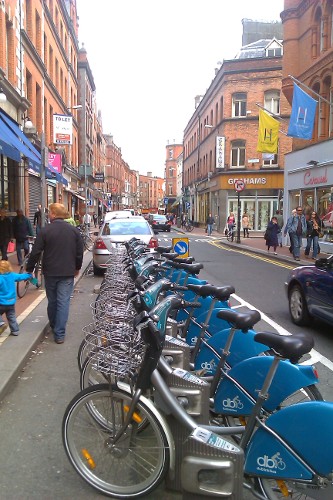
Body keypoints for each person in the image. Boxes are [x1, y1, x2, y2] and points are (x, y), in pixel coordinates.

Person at [26, 203, 84, 344]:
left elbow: (36, 252)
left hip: (50, 272)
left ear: (53, 214)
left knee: (52, 301)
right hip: (67, 271)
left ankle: (54, 325)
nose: (48, 214)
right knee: (63, 301)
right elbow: (79, 253)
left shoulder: (45, 231)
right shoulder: (74, 231)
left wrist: (30, 268)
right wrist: (77, 267)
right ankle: (60, 334)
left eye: (49, 212)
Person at [0, 260, 32, 336]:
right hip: (11, 302)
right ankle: (15, 331)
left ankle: (1, 324)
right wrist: (29, 275)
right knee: (11, 317)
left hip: (1, 302)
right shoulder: (12, 275)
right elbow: (21, 276)